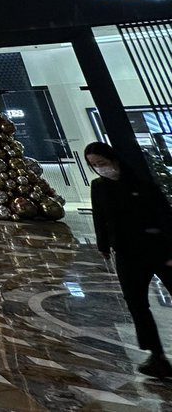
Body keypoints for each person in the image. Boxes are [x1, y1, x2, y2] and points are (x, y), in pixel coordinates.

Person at [86, 141, 172, 378]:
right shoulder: (99, 187)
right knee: (136, 303)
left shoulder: (140, 182)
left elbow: (164, 215)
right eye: (94, 165)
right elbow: (99, 217)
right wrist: (103, 245)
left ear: (112, 159)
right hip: (127, 253)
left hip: (157, 249)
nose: (100, 168)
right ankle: (156, 355)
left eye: (101, 162)